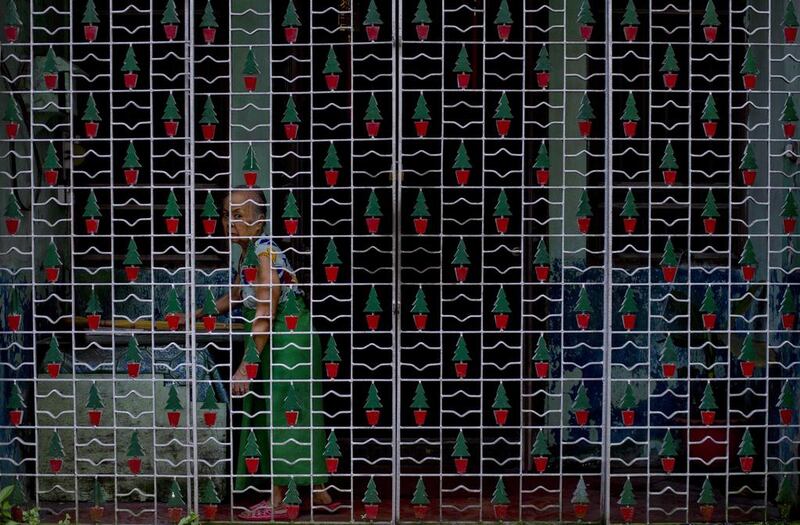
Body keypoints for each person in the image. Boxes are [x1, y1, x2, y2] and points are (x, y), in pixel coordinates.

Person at [196, 187, 338, 520]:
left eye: (239, 216)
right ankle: (319, 492)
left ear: (259, 222)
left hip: (288, 337)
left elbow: (267, 303)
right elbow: (235, 296)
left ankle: (278, 501)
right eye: (226, 214)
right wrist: (197, 314)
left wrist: (247, 365)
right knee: (291, 411)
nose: (230, 222)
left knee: (281, 411)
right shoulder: (248, 254)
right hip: (281, 336)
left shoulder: (264, 251)